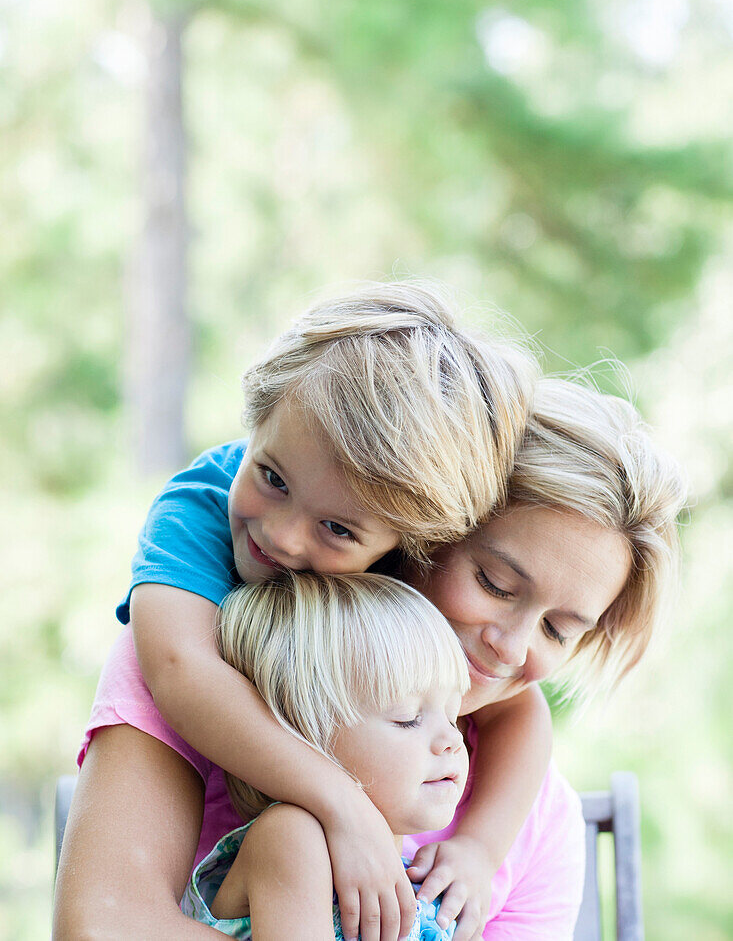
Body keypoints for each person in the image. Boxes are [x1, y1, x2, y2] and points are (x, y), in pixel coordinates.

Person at [53, 375, 686, 941]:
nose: (513, 648)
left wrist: (484, 849)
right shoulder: (205, 673)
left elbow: (524, 712)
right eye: (492, 583)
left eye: (558, 629)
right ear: (412, 525)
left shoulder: (527, 813)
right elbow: (102, 927)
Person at [111, 279, 548, 941]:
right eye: (272, 477)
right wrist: (341, 805)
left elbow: (520, 707)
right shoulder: (199, 508)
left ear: (408, 547)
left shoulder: (401, 573)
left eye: (339, 530)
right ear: (256, 423)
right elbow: (179, 667)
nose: (282, 536)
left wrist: (480, 849)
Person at [180, 570, 471, 940]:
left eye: (452, 715)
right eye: (408, 718)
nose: (452, 739)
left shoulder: (428, 883)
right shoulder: (290, 836)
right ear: (302, 740)